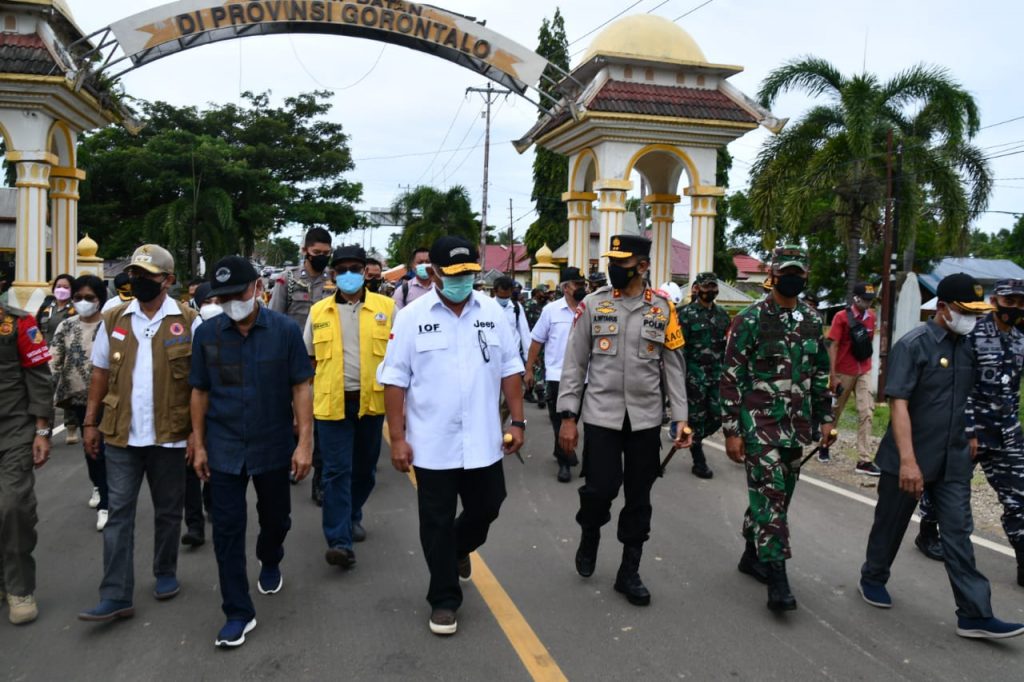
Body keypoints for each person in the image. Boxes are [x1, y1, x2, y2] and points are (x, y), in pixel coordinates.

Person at [858, 273, 1024, 639]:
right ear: (943, 308)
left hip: (954, 459)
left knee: (958, 534)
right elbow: (898, 404)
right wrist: (907, 460)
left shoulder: (969, 346)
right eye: (965, 311)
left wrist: (973, 434)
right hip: (910, 456)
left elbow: (974, 397)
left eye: (977, 312)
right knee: (890, 524)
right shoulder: (913, 345)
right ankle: (872, 576)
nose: (972, 319)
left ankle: (975, 614)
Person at [379, 236, 525, 636]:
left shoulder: (493, 312)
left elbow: (511, 368)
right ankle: (443, 599)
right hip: (432, 444)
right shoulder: (411, 317)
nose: (463, 280)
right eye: (454, 273)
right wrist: (397, 437)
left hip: (483, 440)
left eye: (469, 273)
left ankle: (460, 549)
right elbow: (394, 380)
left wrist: (518, 421)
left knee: (490, 505)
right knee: (436, 523)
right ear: (434, 272)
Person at [557, 235, 691, 606]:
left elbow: (674, 368)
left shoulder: (663, 310)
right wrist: (569, 416)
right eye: (612, 262)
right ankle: (590, 532)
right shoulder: (593, 304)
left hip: (646, 420)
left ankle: (628, 571)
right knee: (599, 490)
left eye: (622, 263)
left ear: (643, 267)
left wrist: (681, 418)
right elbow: (574, 364)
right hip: (601, 416)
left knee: (639, 496)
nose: (614, 269)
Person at [190, 256, 314, 648]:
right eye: (222, 296)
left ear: (257, 290)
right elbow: (199, 390)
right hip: (223, 444)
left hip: (273, 441)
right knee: (226, 530)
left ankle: (270, 553)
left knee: (277, 517)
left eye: (237, 293)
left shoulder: (284, 332)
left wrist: (305, 442)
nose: (231, 302)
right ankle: (238, 612)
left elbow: (301, 387)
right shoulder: (207, 335)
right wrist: (198, 442)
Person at [79, 244, 200, 623]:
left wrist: (198, 434)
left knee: (168, 511)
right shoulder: (114, 318)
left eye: (147, 276)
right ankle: (116, 593)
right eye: (134, 274)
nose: (138, 281)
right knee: (118, 514)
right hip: (120, 434)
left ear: (167, 280)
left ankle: (165, 571)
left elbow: (200, 383)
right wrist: (89, 422)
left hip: (170, 434)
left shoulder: (189, 319)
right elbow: (100, 372)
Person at [721, 245, 836, 612]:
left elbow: (820, 373)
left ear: (805, 276)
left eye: (799, 273)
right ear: (772, 274)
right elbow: (731, 376)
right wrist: (731, 429)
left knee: (778, 496)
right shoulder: (751, 319)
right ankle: (778, 579)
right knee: (770, 495)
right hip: (760, 426)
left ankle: (750, 553)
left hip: (796, 428)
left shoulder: (811, 319)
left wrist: (826, 419)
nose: (793, 278)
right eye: (787, 271)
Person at [306, 246, 395, 568]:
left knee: (365, 470)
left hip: (371, 402)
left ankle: (353, 513)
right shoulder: (318, 312)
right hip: (332, 403)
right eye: (341, 269)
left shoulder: (388, 308)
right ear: (332, 274)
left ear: (366, 271)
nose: (348, 274)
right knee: (335, 471)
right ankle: (339, 540)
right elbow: (309, 360)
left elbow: (399, 359)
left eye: (354, 268)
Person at [963, 278, 1024, 586]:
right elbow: (963, 387)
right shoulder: (971, 333)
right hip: (971, 430)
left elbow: (1013, 390)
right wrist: (969, 430)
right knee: (951, 491)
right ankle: (927, 531)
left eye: (1020, 303)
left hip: (1007, 432)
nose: (1015, 308)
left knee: (1018, 498)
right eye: (1009, 302)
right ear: (994, 300)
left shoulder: (1020, 340)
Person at [269, 228, 334, 502]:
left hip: (325, 358)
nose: (321, 257)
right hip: (292, 358)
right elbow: (274, 318)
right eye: (316, 252)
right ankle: (292, 459)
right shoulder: (289, 281)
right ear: (305, 250)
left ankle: (319, 479)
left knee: (320, 419)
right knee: (289, 416)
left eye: (325, 253)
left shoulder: (335, 282)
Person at [0, 297, 53, 625]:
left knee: (13, 506)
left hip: (14, 431)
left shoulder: (19, 323)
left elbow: (38, 377)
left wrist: (42, 430)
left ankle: (19, 588)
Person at [49, 275, 109, 532]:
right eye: (78, 298)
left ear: (100, 299)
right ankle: (98, 484)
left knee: (108, 450)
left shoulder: (111, 325)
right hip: (79, 397)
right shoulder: (66, 326)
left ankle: (107, 503)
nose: (83, 302)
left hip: (110, 398)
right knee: (91, 448)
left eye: (89, 298)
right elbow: (54, 361)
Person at [525, 268, 587, 482]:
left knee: (575, 419)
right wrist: (529, 368)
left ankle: (563, 449)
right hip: (556, 375)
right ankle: (564, 461)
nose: (582, 288)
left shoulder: (591, 308)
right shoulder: (551, 311)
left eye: (583, 284)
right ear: (565, 287)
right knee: (560, 420)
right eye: (577, 284)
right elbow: (536, 341)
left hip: (586, 375)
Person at [676, 272, 730, 479]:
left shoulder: (723, 316)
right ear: (697, 288)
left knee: (717, 416)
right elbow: (680, 350)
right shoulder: (686, 315)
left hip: (716, 375)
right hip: (694, 376)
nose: (710, 291)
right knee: (697, 418)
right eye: (706, 287)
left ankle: (690, 436)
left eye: (713, 287)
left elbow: (726, 347)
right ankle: (699, 461)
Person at [827, 282, 880, 475]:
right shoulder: (841, 317)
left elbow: (868, 342)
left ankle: (864, 460)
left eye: (870, 299)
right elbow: (833, 345)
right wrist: (833, 375)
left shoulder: (871, 317)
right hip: (844, 370)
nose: (867, 303)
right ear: (856, 298)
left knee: (866, 411)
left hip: (863, 369)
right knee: (835, 411)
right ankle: (825, 443)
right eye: (864, 299)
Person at [181, 282, 218, 548]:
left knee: (214, 461)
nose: (212, 307)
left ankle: (213, 503)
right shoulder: (183, 327)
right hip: (185, 406)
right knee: (188, 466)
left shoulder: (232, 329)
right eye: (208, 301)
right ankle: (194, 525)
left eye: (218, 300)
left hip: (217, 408)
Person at [37, 274, 78, 444]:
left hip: (67, 355)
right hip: (46, 355)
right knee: (46, 394)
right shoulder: (48, 305)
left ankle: (71, 426)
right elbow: (36, 326)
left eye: (66, 287)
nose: (61, 290)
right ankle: (46, 430)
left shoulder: (74, 308)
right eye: (58, 286)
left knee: (67, 392)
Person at [493, 276, 531, 364]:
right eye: (501, 297)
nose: (504, 299)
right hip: (494, 356)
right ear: (495, 291)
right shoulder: (487, 307)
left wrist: (528, 358)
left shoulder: (516, 307)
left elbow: (524, 332)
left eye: (507, 297)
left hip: (513, 356)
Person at [523, 285, 549, 407]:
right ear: (537, 292)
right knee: (536, 366)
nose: (545, 295)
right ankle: (540, 394)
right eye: (543, 292)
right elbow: (525, 325)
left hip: (544, 342)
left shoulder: (545, 306)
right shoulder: (528, 305)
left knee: (540, 367)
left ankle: (530, 391)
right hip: (532, 340)